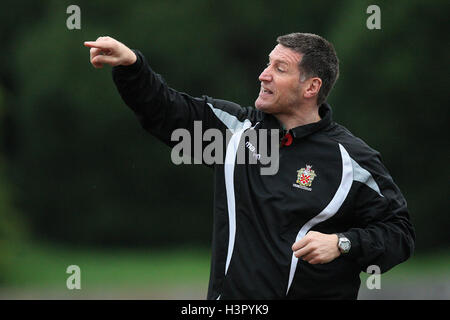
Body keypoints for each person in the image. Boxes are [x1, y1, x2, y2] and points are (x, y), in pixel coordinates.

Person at [84, 32, 415, 299]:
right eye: (267, 64)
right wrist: (131, 65)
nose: (263, 75)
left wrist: (343, 243)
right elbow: (166, 109)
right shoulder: (236, 132)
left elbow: (399, 233)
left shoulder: (352, 159)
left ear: (311, 87)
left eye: (279, 69)